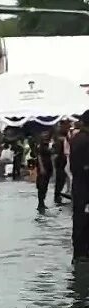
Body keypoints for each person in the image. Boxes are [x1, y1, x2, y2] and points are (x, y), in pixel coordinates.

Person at [70, 110, 89, 262]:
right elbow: (81, 165)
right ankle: (81, 253)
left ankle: (80, 252)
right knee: (82, 219)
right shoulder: (83, 139)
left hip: (80, 185)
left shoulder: (79, 138)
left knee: (81, 218)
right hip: (83, 185)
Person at [35, 130, 53, 214]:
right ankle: (40, 203)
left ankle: (42, 202)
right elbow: (39, 157)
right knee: (41, 185)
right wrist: (41, 167)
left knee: (45, 185)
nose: (46, 136)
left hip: (49, 165)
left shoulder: (48, 144)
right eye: (44, 134)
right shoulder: (40, 146)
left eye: (47, 134)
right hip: (42, 166)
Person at [54, 124, 69, 205]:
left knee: (59, 180)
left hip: (60, 162)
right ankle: (57, 197)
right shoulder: (62, 141)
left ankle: (57, 196)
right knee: (61, 180)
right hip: (62, 162)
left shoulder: (58, 140)